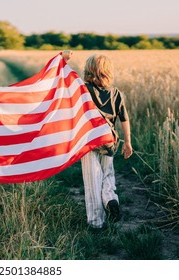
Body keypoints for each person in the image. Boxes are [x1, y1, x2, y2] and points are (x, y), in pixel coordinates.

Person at [80, 54, 133, 230]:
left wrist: (63, 60)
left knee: (92, 178)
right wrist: (128, 142)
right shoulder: (116, 93)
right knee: (107, 174)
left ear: (89, 71)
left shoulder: (84, 89)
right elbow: (124, 118)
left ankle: (96, 222)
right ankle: (110, 198)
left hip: (89, 139)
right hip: (109, 140)